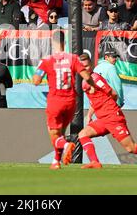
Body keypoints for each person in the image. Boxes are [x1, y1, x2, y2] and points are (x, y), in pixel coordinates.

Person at [77, 53, 137, 169]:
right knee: (83, 134)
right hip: (103, 119)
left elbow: (113, 94)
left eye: (87, 66)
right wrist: (89, 115)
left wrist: (110, 108)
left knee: (131, 148)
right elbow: (96, 100)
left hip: (112, 117)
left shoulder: (96, 79)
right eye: (82, 67)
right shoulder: (84, 82)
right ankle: (95, 162)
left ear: (91, 65)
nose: (85, 69)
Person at [33, 30, 95, 170]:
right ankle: (56, 161)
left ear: (52, 43)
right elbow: (86, 76)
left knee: (53, 133)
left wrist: (42, 72)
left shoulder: (47, 60)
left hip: (55, 100)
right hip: (71, 102)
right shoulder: (73, 58)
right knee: (60, 132)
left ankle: (67, 145)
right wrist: (92, 86)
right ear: (64, 42)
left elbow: (36, 81)